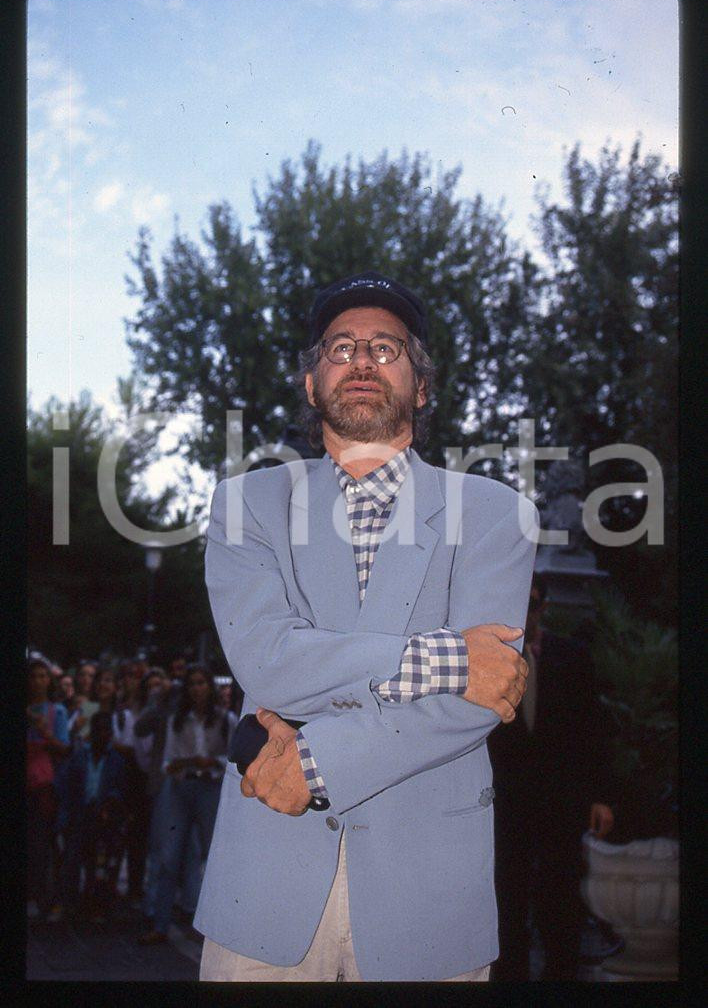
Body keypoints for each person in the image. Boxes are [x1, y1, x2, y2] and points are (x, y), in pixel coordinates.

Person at [194, 270, 538, 982]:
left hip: (430, 897)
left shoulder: (497, 511)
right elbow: (266, 661)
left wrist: (314, 766)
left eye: (386, 348)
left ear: (421, 385)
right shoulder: (245, 503)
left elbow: (483, 696)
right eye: (340, 346)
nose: (360, 360)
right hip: (264, 883)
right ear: (311, 382)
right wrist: (448, 658)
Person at [488, 572, 616, 981]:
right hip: (505, 804)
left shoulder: (572, 656)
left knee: (560, 899)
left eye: (531, 604)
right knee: (507, 900)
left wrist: (599, 796)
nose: (524, 613)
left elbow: (593, 729)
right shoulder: (487, 661)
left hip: (561, 802)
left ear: (543, 607)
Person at [138, 664, 237, 945]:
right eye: (192, 684)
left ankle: (212, 926)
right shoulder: (177, 720)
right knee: (169, 855)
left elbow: (231, 758)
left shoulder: (225, 719)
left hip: (210, 786)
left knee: (211, 855)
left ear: (210, 687)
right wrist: (192, 762)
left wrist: (211, 763)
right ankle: (160, 922)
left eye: (201, 683)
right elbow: (169, 761)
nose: (197, 689)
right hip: (181, 786)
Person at [60, 711, 127, 923]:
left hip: (104, 818)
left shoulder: (116, 759)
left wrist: (109, 803)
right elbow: (68, 787)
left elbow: (120, 788)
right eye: (98, 730)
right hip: (81, 815)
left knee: (100, 866)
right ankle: (72, 906)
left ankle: (98, 906)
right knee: (74, 861)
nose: (102, 734)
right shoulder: (80, 755)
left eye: (107, 730)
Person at [26, 656, 71, 920]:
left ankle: (42, 896)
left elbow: (64, 748)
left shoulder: (57, 712)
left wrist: (44, 732)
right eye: (33, 676)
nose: (38, 682)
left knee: (43, 842)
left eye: (43, 676)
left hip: (45, 784)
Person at [112, 659, 152, 909]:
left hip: (142, 777)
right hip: (123, 776)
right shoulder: (119, 711)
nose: (133, 682)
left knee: (139, 835)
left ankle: (136, 886)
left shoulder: (148, 711)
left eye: (137, 677)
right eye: (129, 676)